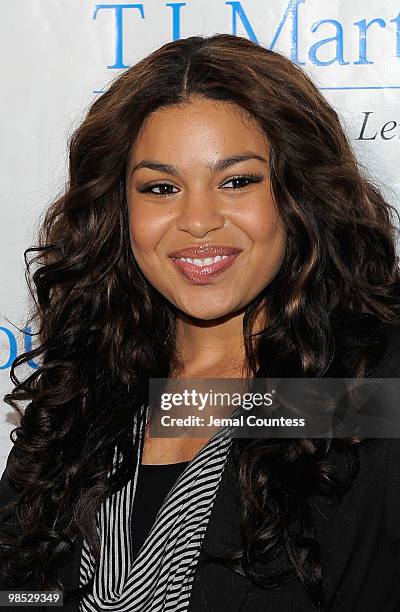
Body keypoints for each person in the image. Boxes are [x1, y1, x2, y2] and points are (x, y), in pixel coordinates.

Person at [0, 32, 400, 612]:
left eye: (236, 181)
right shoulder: (86, 397)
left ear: (298, 193)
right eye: (161, 188)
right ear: (120, 211)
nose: (197, 220)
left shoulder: (365, 390)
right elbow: (20, 591)